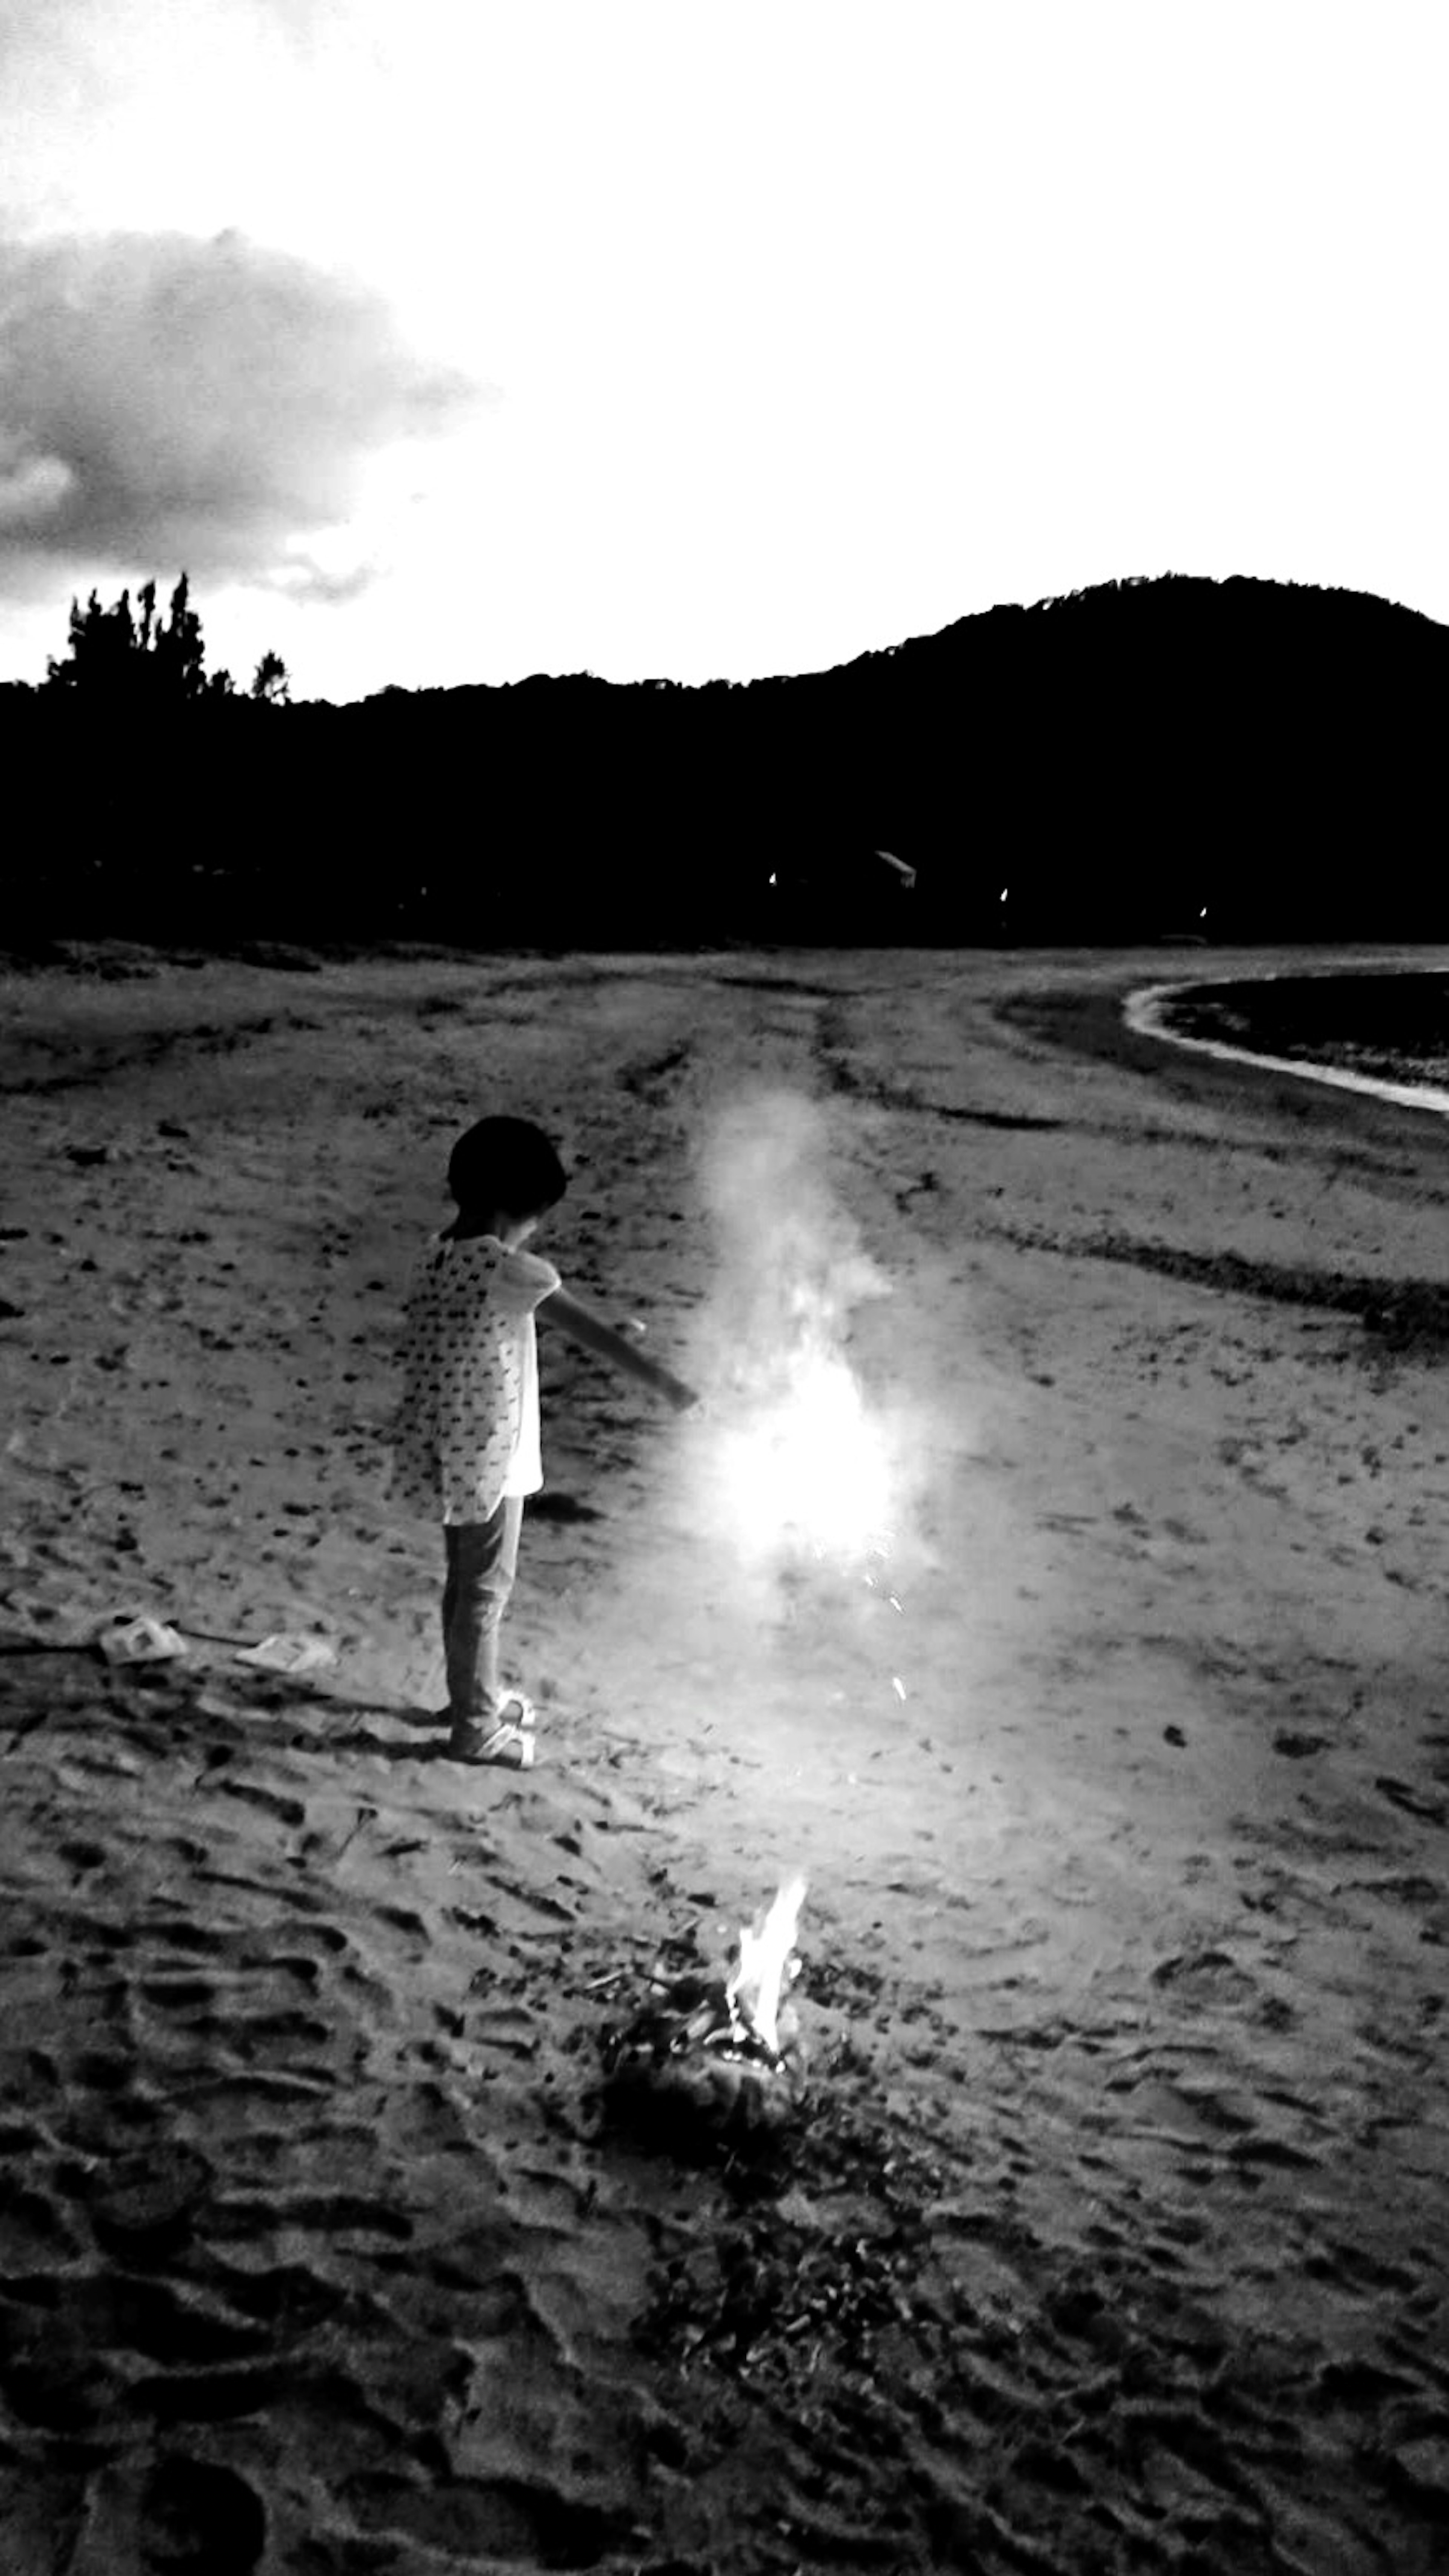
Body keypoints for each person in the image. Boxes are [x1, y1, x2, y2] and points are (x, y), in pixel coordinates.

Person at [391, 1115, 697, 1766]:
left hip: (448, 1445)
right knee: (486, 1589)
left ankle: (468, 1693)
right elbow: (594, 1336)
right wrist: (667, 1385)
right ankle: (474, 1725)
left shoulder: (437, 1252)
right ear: (520, 1208)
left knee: (465, 1579)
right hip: (493, 1456)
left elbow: (508, 1324)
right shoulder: (512, 1269)